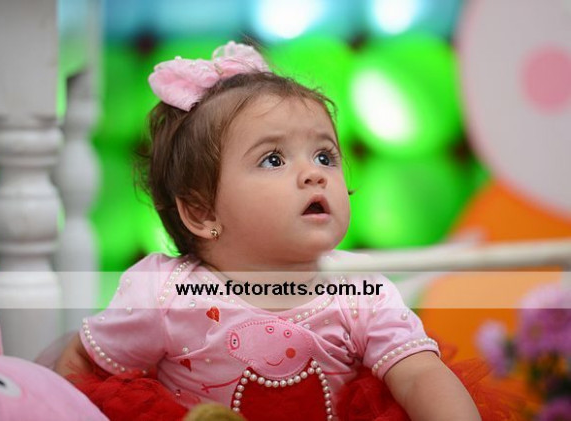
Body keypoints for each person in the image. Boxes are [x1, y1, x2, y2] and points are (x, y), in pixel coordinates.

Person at [55, 41, 481, 421]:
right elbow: (86, 365)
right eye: (273, 160)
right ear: (202, 212)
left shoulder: (359, 290)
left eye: (325, 156)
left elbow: (419, 375)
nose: (314, 173)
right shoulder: (165, 294)